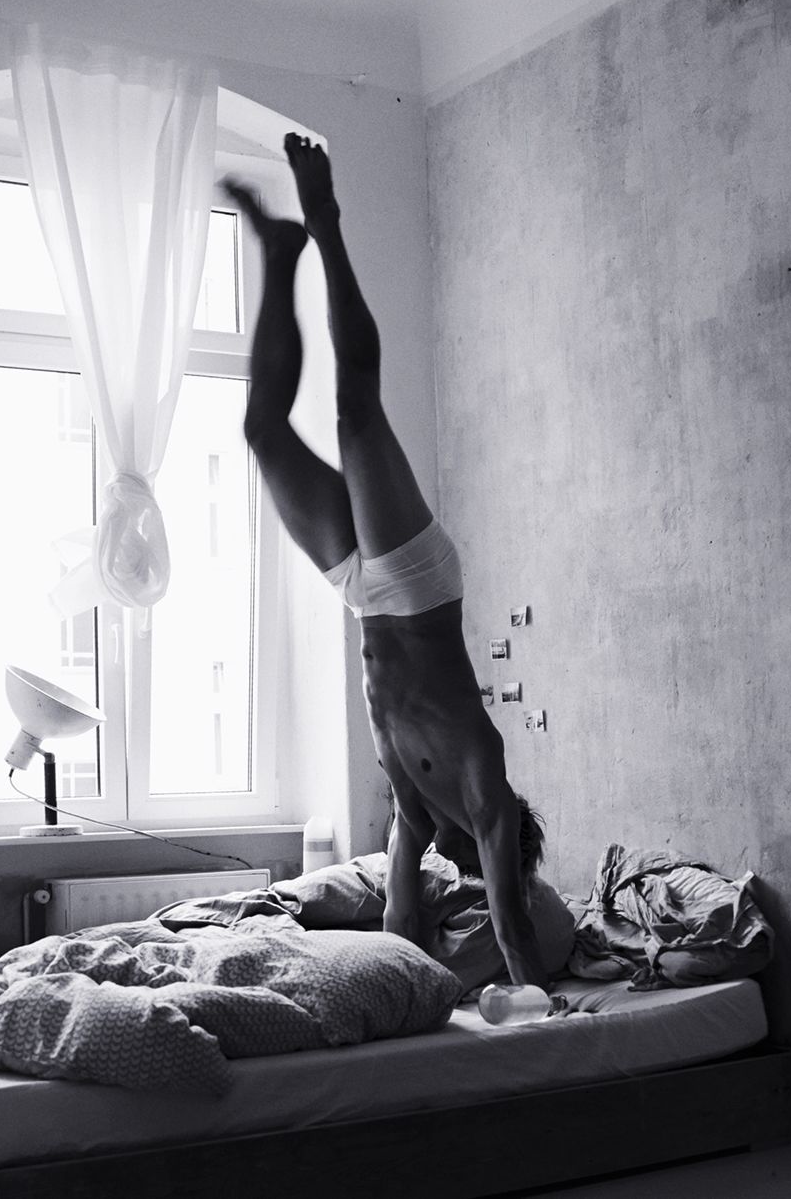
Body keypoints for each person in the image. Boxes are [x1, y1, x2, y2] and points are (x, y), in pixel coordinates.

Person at [223, 135, 568, 990]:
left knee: (263, 433)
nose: (465, 874)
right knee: (353, 409)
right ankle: (324, 223)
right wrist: (547, 1012)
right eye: (483, 869)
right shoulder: (483, 782)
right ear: (502, 850)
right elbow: (518, 935)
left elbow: (399, 924)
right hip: (414, 584)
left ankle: (278, 253)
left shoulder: (419, 817)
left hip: (361, 599)